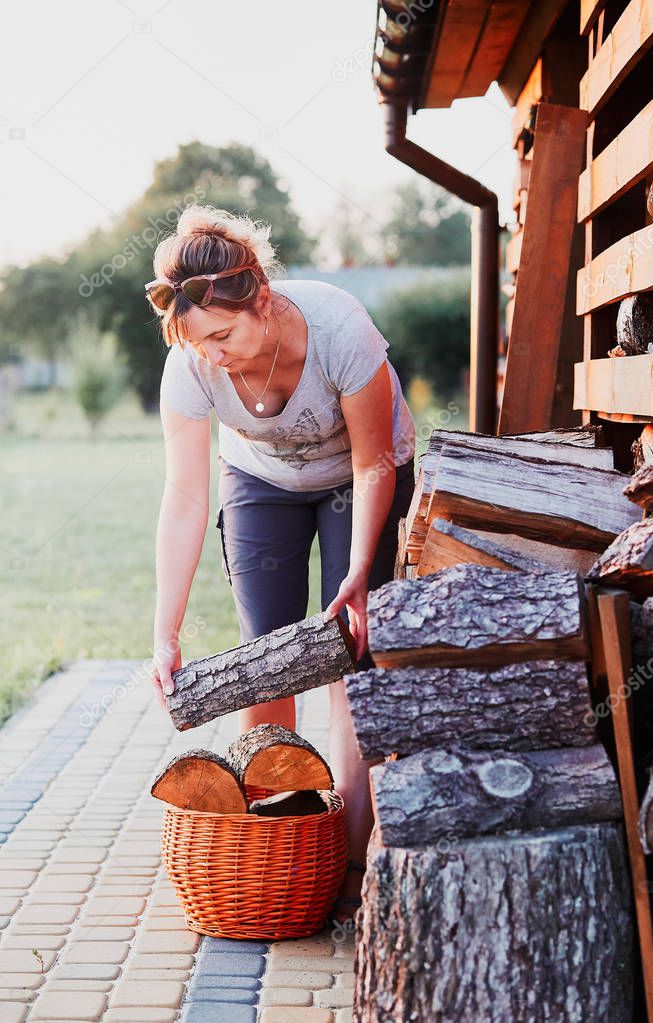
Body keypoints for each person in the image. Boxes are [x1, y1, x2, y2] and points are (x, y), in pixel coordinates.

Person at [146, 204, 416, 922]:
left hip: (359, 478)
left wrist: (360, 566)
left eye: (224, 335)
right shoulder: (192, 365)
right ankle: (274, 856)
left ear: (262, 299)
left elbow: (373, 460)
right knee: (267, 655)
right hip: (262, 482)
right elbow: (183, 497)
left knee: (350, 659)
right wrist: (164, 632)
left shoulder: (339, 328)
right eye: (197, 343)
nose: (213, 355)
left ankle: (350, 865)